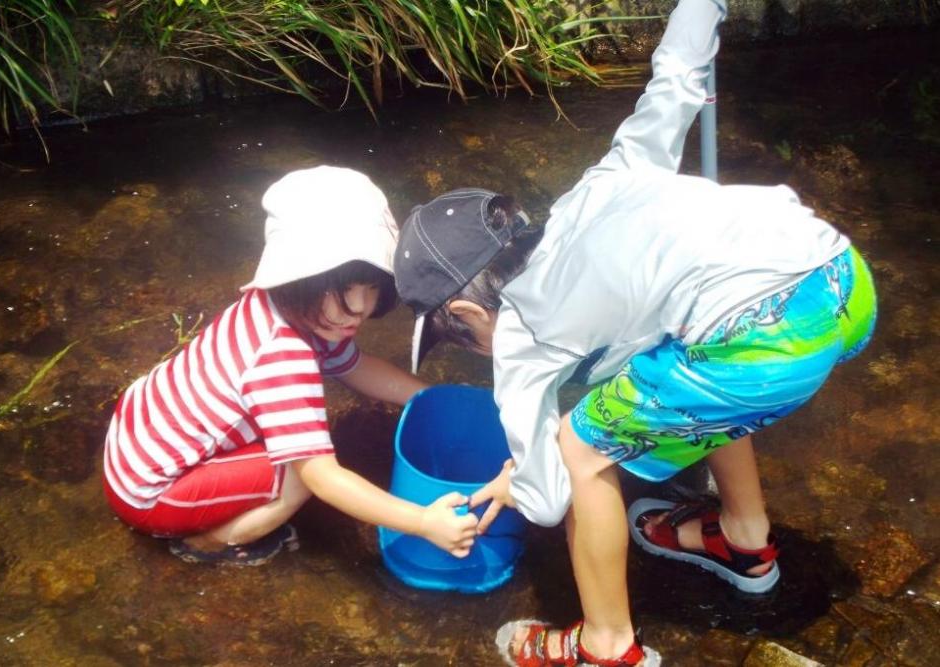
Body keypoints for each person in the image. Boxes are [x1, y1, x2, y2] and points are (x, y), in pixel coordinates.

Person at [392, 0, 877, 663]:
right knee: (678, 335)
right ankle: (742, 538)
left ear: (472, 314)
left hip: (765, 348)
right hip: (841, 280)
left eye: (456, 339)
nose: (472, 352)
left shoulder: (520, 334)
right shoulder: (599, 185)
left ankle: (604, 644)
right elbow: (674, 80)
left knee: (579, 445)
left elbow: (548, 495)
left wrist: (516, 480)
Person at [103, 166, 478, 566]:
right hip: (150, 495)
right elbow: (322, 477)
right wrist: (423, 521)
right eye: (343, 288)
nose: (358, 308)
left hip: (134, 440)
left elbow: (356, 367)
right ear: (300, 277)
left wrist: (436, 401)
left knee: (300, 449)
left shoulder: (283, 307)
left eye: (371, 288)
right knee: (302, 476)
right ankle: (211, 542)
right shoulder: (284, 356)